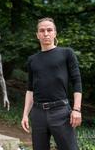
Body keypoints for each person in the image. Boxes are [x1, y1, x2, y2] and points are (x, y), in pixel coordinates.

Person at [21, 17, 82, 150]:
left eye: (49, 30)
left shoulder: (67, 53)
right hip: (37, 114)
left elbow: (77, 81)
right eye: (42, 31)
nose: (46, 33)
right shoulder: (32, 60)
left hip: (61, 112)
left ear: (55, 33)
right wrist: (25, 114)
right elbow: (30, 89)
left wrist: (77, 109)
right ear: (37, 35)